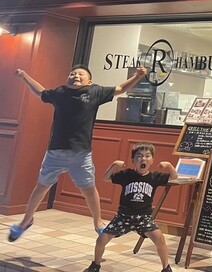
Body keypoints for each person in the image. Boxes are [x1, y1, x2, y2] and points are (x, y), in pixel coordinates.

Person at [8, 65, 148, 242]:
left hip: (81, 154)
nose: (76, 75)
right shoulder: (60, 92)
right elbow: (41, 92)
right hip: (55, 152)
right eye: (72, 73)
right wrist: (24, 76)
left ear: (89, 81)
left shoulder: (95, 91)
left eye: (81, 74)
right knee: (41, 187)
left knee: (89, 189)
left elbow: (120, 89)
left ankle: (98, 223)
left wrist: (137, 77)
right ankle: (26, 221)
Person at [83, 142, 178, 272]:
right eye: (139, 156)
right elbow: (106, 178)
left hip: (144, 218)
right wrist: (114, 165)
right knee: (101, 240)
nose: (143, 159)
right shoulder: (127, 175)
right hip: (123, 217)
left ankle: (166, 268)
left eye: (147, 156)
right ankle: (95, 265)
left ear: (152, 160)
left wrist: (169, 166)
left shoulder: (155, 177)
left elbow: (174, 177)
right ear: (133, 160)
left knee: (160, 239)